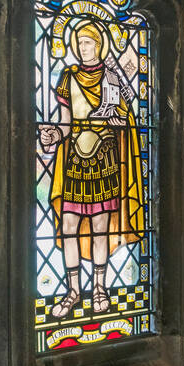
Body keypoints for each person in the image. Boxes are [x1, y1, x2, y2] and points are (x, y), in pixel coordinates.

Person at [39, 19, 144, 317]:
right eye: (80, 43)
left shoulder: (113, 78)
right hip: (74, 161)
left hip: (105, 159)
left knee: (100, 227)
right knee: (69, 226)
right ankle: (73, 291)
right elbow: (66, 123)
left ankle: (99, 287)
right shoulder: (68, 76)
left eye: (89, 43)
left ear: (99, 46)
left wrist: (120, 123)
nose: (84, 48)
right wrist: (53, 136)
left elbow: (127, 121)